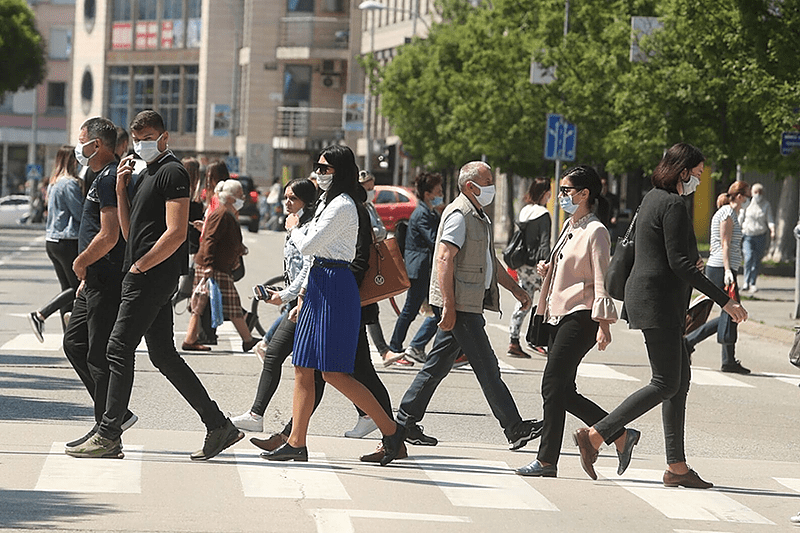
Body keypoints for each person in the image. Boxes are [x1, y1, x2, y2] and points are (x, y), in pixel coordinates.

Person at [65, 109, 243, 460]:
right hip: (143, 272)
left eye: (148, 138)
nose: (142, 145)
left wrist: (140, 267)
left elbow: (176, 232)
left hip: (151, 276)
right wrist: (120, 190)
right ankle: (218, 424)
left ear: (164, 138)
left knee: (117, 348)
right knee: (163, 354)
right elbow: (131, 234)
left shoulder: (173, 172)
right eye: (137, 139)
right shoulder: (144, 174)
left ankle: (109, 432)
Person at [572, 143, 748, 489]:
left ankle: (677, 467)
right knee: (666, 382)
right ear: (683, 172)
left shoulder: (652, 198)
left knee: (679, 383)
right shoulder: (672, 204)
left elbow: (667, 254)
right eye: (697, 174)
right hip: (658, 304)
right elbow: (679, 263)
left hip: (652, 300)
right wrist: (725, 301)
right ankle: (596, 436)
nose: (698, 180)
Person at [260, 145, 405, 466]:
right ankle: (296, 442)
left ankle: (392, 431)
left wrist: (294, 226)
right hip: (319, 282)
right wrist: (287, 295)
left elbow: (308, 243)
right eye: (318, 167)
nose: (319, 173)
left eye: (325, 169)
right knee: (302, 368)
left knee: (334, 373)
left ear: (339, 171)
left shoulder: (343, 205)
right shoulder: (327, 202)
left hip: (337, 287)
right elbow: (312, 257)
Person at [394, 161, 542, 451]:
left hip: (465, 302)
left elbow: (490, 261)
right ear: (471, 186)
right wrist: (449, 306)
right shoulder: (460, 214)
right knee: (487, 366)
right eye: (487, 181)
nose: (492, 186)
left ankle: (404, 423)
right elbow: (444, 259)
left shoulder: (478, 215)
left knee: (436, 366)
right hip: (459, 304)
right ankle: (514, 428)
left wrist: (515, 289)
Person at [515, 166, 636, 478]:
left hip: (580, 317)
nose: (561, 196)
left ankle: (546, 461)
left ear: (585, 194)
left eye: (567, 191)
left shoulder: (596, 231)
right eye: (561, 190)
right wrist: (549, 269)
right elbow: (570, 267)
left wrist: (604, 325)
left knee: (551, 386)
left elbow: (601, 278)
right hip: (558, 315)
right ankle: (619, 435)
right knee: (563, 391)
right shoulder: (570, 226)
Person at [61, 117, 138, 448]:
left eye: (82, 140)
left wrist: (81, 262)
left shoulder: (109, 178)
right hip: (93, 278)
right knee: (74, 343)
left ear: (97, 144)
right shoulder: (97, 176)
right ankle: (116, 414)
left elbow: (110, 235)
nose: (79, 147)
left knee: (97, 355)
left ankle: (106, 433)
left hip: (105, 277)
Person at [231, 178, 324, 434]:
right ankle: (257, 415)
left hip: (309, 303)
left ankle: (381, 421)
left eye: (292, 198)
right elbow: (295, 269)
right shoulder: (295, 223)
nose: (286, 202)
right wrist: (284, 294)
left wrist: (289, 296)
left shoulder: (307, 226)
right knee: (273, 356)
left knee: (323, 373)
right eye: (285, 197)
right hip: (298, 300)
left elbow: (309, 266)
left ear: (307, 201)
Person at [181, 179, 260, 352]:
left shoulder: (225, 213)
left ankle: (190, 339)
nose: (243, 198)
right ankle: (247, 339)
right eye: (240, 195)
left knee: (200, 303)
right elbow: (210, 240)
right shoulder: (223, 213)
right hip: (214, 266)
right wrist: (209, 265)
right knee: (229, 303)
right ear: (231, 198)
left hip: (215, 265)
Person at [685, 181, 751, 374]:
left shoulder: (727, 213)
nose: (748, 200)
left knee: (729, 312)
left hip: (722, 267)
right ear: (739, 196)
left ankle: (727, 359)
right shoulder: (727, 213)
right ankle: (690, 341)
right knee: (732, 311)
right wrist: (729, 270)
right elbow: (725, 243)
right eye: (747, 196)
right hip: (722, 268)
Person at [388, 172, 444, 364]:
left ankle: (414, 346)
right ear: (428, 194)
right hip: (419, 269)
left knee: (435, 311)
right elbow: (433, 240)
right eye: (438, 191)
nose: (441, 194)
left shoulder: (428, 211)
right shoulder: (422, 214)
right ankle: (397, 348)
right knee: (413, 311)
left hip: (423, 269)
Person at [28, 146, 83, 341]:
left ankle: (68, 338)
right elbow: (79, 212)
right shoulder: (69, 184)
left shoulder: (54, 183)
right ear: (72, 160)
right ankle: (41, 314)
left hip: (52, 240)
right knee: (78, 285)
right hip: (68, 240)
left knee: (66, 287)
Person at [357, 171, 406, 366]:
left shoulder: (369, 206)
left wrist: (378, 232)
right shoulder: (358, 207)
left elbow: (380, 230)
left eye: (372, 187)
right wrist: (378, 232)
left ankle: (382, 351)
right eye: (367, 188)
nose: (371, 192)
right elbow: (374, 231)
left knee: (369, 304)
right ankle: (382, 351)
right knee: (367, 305)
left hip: (370, 260)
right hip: (361, 263)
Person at [507, 177, 551, 358]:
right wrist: (546, 263)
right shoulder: (543, 214)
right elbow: (544, 242)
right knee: (544, 301)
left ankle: (514, 338)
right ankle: (534, 340)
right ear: (544, 193)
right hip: (536, 264)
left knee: (525, 298)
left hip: (522, 262)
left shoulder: (525, 211)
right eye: (549, 193)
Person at [739, 183, 775, 292]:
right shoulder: (747, 204)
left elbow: (770, 219)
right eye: (755, 192)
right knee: (748, 257)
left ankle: (752, 282)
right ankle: (746, 282)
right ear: (751, 193)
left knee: (756, 260)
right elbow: (741, 218)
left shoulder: (766, 205)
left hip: (760, 235)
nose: (758, 194)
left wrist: (772, 230)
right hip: (748, 235)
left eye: (760, 192)